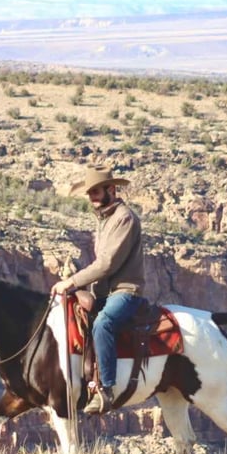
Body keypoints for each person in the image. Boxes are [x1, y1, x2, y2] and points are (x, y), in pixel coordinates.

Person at [51, 164, 146, 414]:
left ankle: (106, 389)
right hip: (104, 292)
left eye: (96, 191)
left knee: (103, 323)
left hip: (125, 291)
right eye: (89, 192)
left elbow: (107, 264)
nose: (92, 196)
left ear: (111, 189)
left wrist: (72, 282)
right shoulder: (104, 219)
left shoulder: (124, 218)